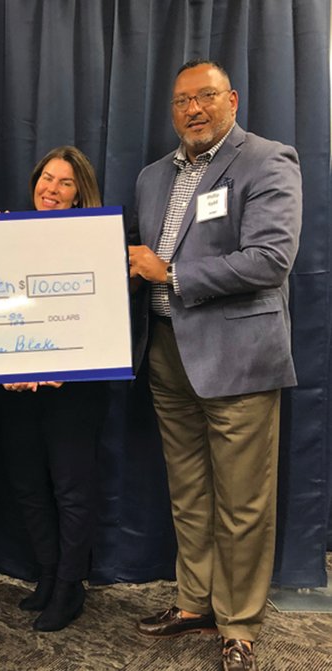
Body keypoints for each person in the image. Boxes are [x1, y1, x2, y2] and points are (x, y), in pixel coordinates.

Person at [128, 59, 301, 671]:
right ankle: (194, 602)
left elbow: (270, 260)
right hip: (167, 351)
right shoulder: (153, 178)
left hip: (237, 356)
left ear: (232, 98)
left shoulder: (266, 160)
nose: (192, 110)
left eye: (204, 97)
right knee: (188, 491)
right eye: (181, 102)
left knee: (244, 500)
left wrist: (171, 274)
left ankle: (240, 623)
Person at [1, 146, 110, 632]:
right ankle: (47, 573)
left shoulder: (97, 241)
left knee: (71, 489)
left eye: (65, 182)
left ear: (80, 192)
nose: (52, 189)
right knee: (28, 486)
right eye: (47, 178)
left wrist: (66, 361)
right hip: (17, 386)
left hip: (72, 387)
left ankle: (71, 586)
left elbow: (101, 316)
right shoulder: (7, 235)